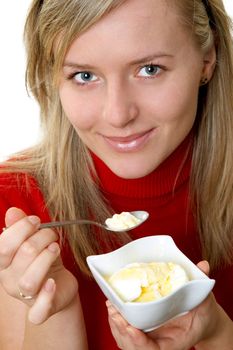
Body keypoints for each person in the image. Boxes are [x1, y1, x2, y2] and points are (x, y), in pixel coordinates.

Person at [0, 0, 232, 349]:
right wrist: (55, 310)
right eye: (85, 76)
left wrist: (216, 334)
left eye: (150, 69)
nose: (118, 114)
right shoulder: (14, 203)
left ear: (207, 59)